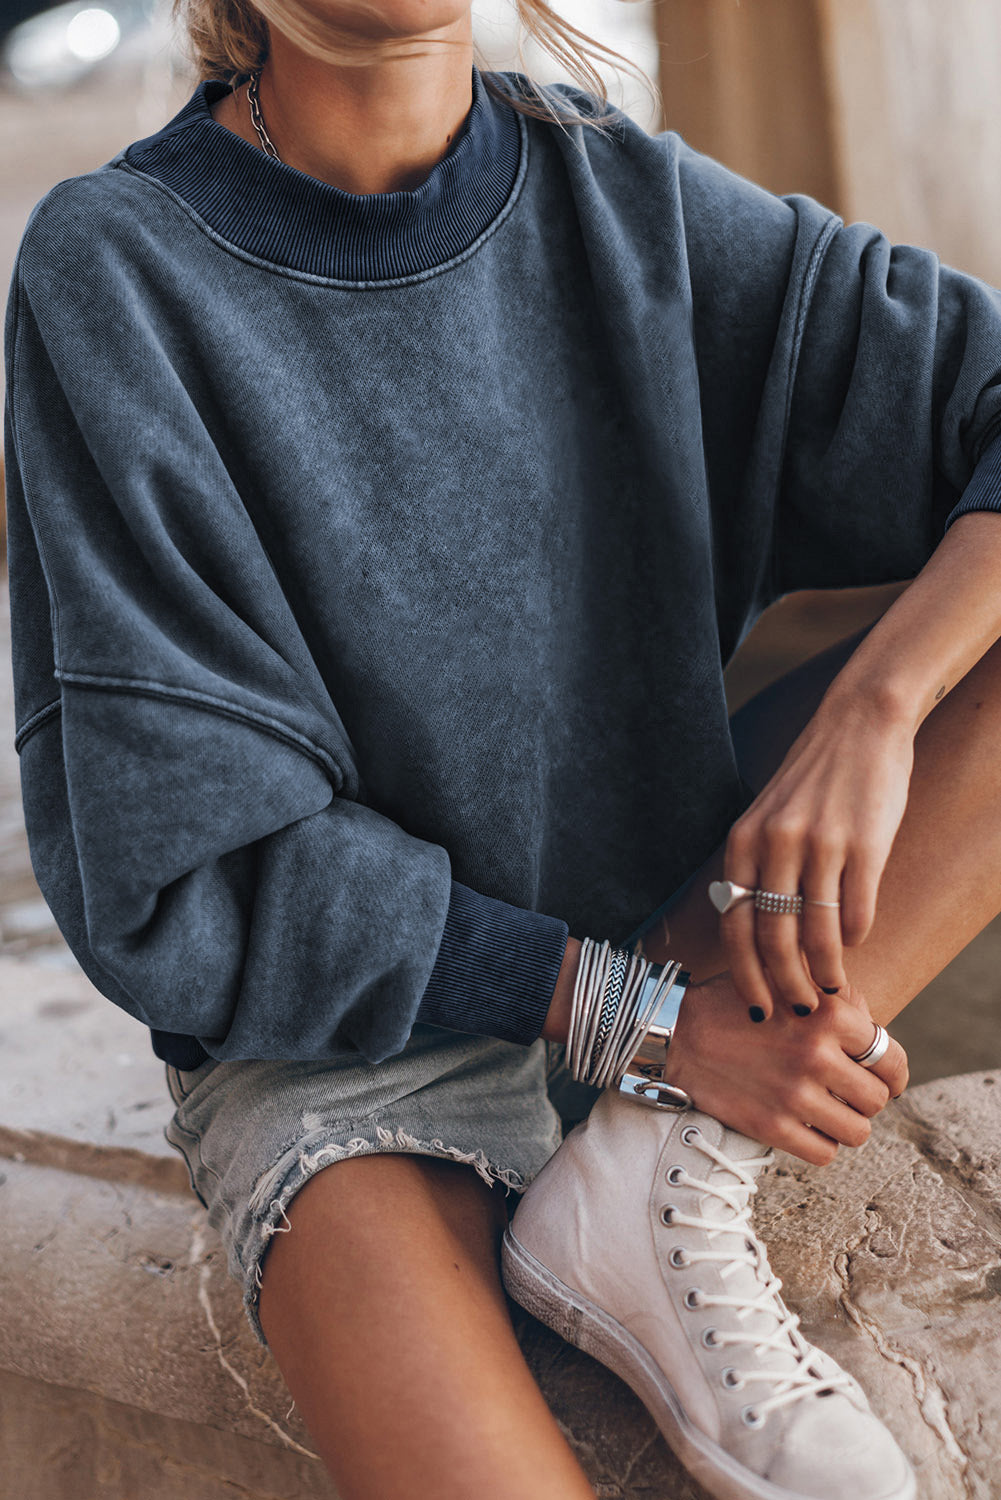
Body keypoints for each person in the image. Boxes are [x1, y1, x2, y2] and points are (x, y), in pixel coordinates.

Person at [5, 0, 1001, 1493]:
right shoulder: (117, 268)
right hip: (351, 1058)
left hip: (683, 930)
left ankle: (655, 1171)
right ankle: (646, 1126)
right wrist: (644, 1023)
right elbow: (196, 869)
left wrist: (877, 704)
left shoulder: (618, 194)